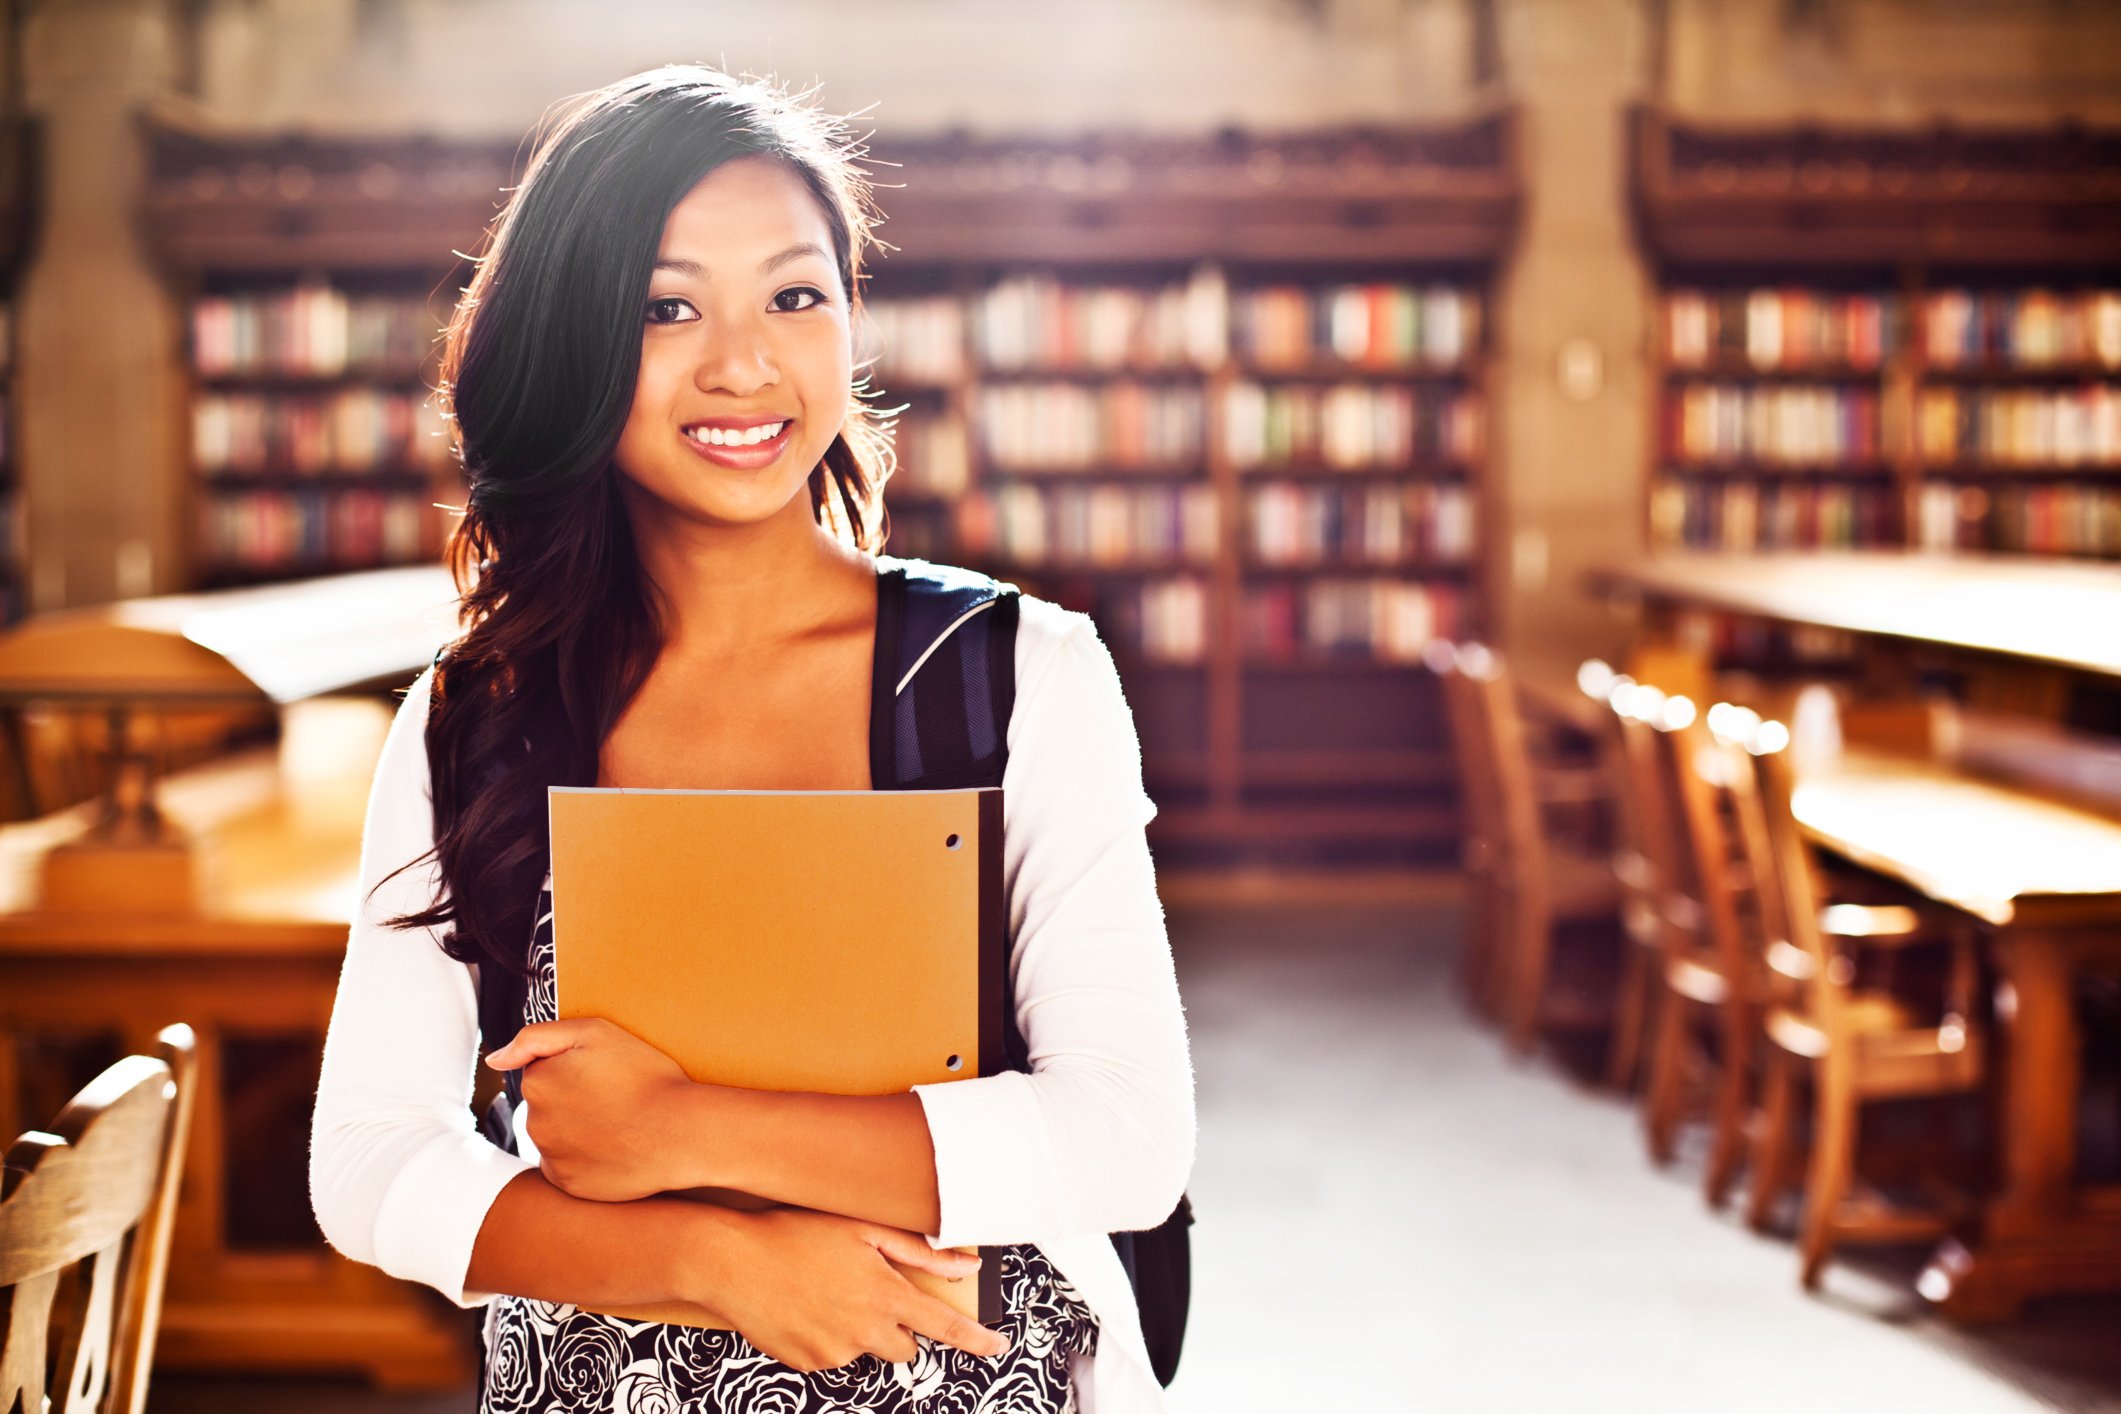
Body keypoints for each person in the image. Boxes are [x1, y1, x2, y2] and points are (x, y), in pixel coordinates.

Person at [308, 63, 1196, 1414]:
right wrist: (713, 1260)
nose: (744, 362)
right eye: (666, 307)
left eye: (795, 294)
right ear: (572, 343)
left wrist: (671, 1128)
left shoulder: (1017, 677)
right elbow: (368, 1162)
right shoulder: (478, 713)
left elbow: (1127, 1138)